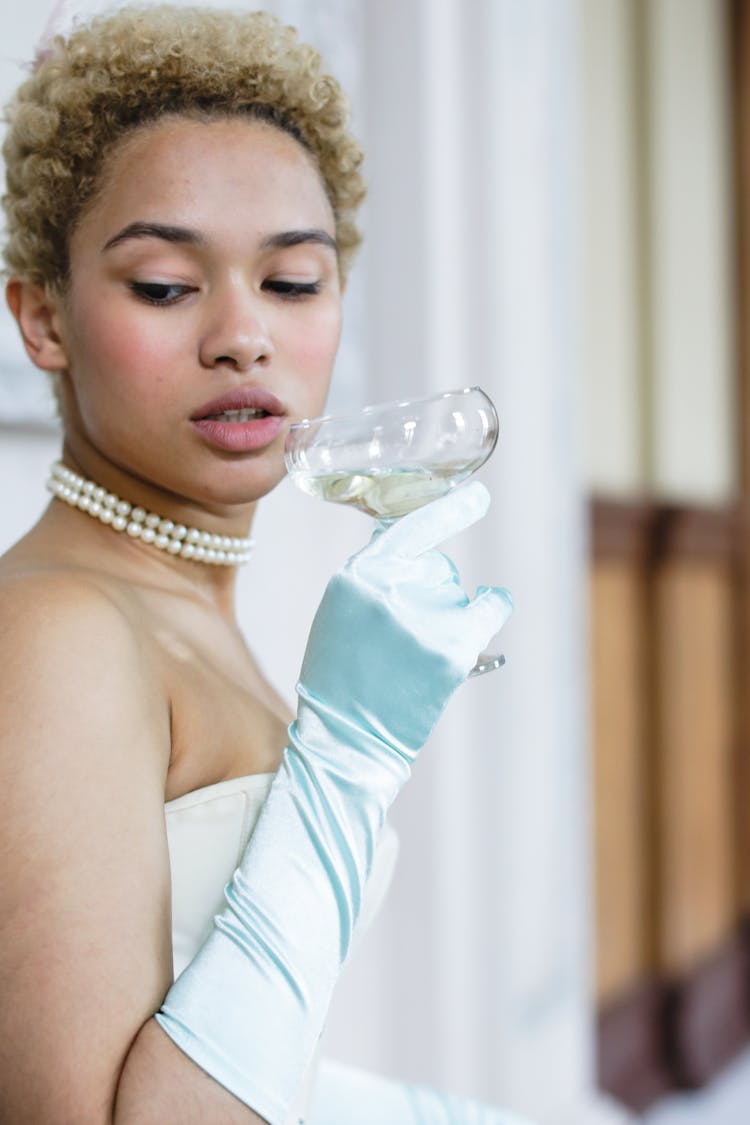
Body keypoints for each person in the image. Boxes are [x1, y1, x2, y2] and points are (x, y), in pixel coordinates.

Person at [0, 5, 525, 1123]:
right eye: (164, 285)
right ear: (44, 318)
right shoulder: (61, 634)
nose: (245, 335)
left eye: (293, 282)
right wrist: (347, 759)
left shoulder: (182, 609)